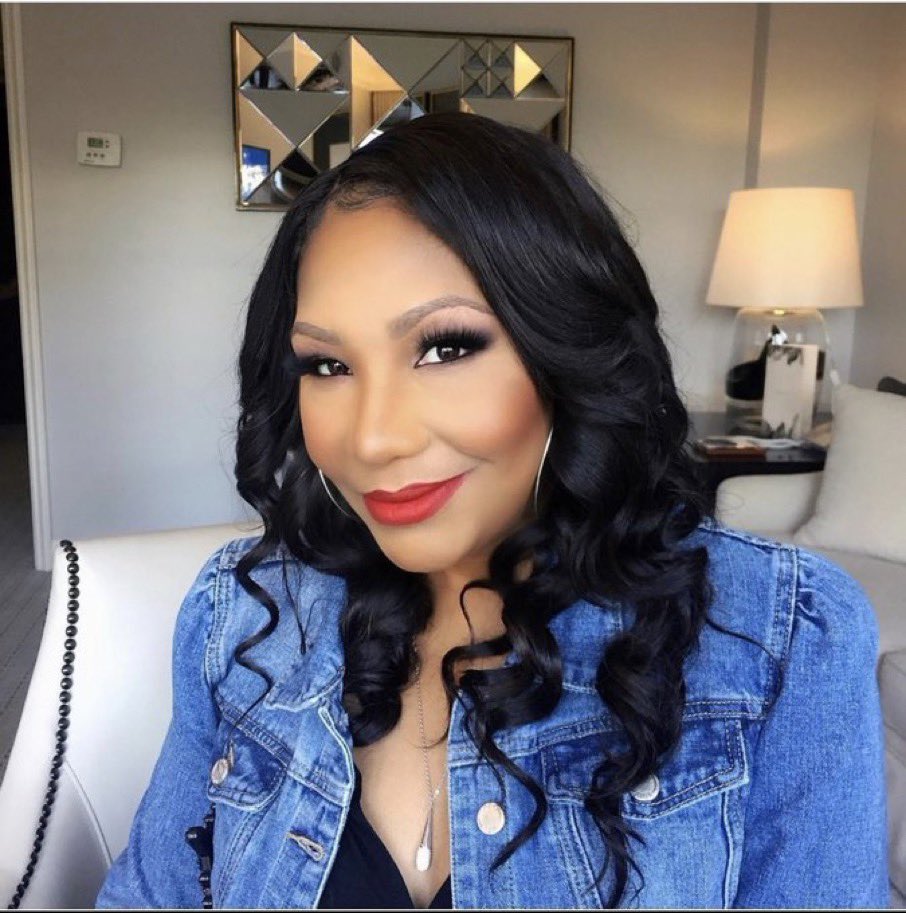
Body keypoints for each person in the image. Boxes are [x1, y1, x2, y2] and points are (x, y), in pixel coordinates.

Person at [95, 112, 888, 909]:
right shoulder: (242, 613)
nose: (372, 437)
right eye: (328, 364)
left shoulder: (783, 639)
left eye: (444, 347)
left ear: (565, 352)